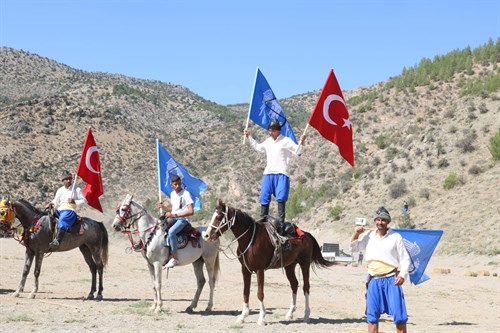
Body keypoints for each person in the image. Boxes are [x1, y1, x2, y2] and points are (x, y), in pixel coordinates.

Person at [350, 206, 411, 333]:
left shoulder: (396, 237)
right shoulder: (369, 236)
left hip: (391, 280)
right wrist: (356, 233)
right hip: (373, 279)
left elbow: (405, 259)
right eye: (377, 220)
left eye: (383, 220)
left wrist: (402, 275)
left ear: (387, 221)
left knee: (399, 317)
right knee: (372, 317)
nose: (380, 222)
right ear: (374, 221)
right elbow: (354, 248)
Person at [243, 120, 305, 229]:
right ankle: (263, 221)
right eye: (269, 130)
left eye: (272, 130)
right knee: (264, 196)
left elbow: (298, 151)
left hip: (281, 172)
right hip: (268, 173)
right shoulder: (268, 141)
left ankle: (281, 223)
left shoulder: (286, 141)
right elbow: (258, 147)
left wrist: (302, 142)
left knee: (281, 198)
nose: (270, 132)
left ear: (278, 130)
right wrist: (249, 137)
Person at [157, 175, 194, 269]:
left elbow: (191, 211)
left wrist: (174, 215)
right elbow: (174, 210)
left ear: (181, 182)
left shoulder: (186, 193)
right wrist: (164, 208)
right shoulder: (173, 194)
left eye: (179, 183)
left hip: (183, 220)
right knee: (159, 227)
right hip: (174, 218)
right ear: (171, 185)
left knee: (171, 232)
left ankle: (175, 258)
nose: (178, 186)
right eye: (175, 184)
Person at [49, 170, 87, 248]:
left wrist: (74, 201)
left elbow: (84, 200)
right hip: (60, 210)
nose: (69, 180)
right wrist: (51, 204)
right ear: (63, 180)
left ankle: (57, 241)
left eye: (70, 178)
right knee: (48, 215)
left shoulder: (77, 189)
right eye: (66, 179)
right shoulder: (60, 190)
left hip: (69, 210)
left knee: (62, 219)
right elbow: (56, 201)